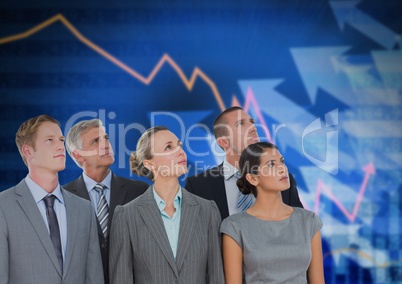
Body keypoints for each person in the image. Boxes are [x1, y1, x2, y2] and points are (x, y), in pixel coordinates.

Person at [109, 126, 224, 284]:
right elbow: (121, 279)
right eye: (168, 147)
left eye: (179, 145)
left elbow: (216, 276)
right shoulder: (127, 216)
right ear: (149, 164)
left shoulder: (208, 210)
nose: (180, 151)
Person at [0, 115, 103, 284]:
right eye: (50, 140)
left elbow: (94, 277)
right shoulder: (4, 207)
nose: (60, 146)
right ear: (28, 151)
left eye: (61, 140)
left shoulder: (84, 209)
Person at [220, 142, 324, 283]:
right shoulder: (234, 227)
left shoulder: (308, 221)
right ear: (253, 178)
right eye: (271, 164)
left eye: (281, 162)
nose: (282, 168)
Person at [64, 118, 148, 284]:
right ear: (78, 154)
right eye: (95, 141)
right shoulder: (63, 197)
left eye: (106, 138)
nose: (106, 145)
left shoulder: (140, 191)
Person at [185, 106, 303, 219]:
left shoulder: (283, 178)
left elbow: (300, 227)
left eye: (251, 122)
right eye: (241, 124)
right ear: (224, 142)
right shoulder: (197, 186)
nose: (253, 127)